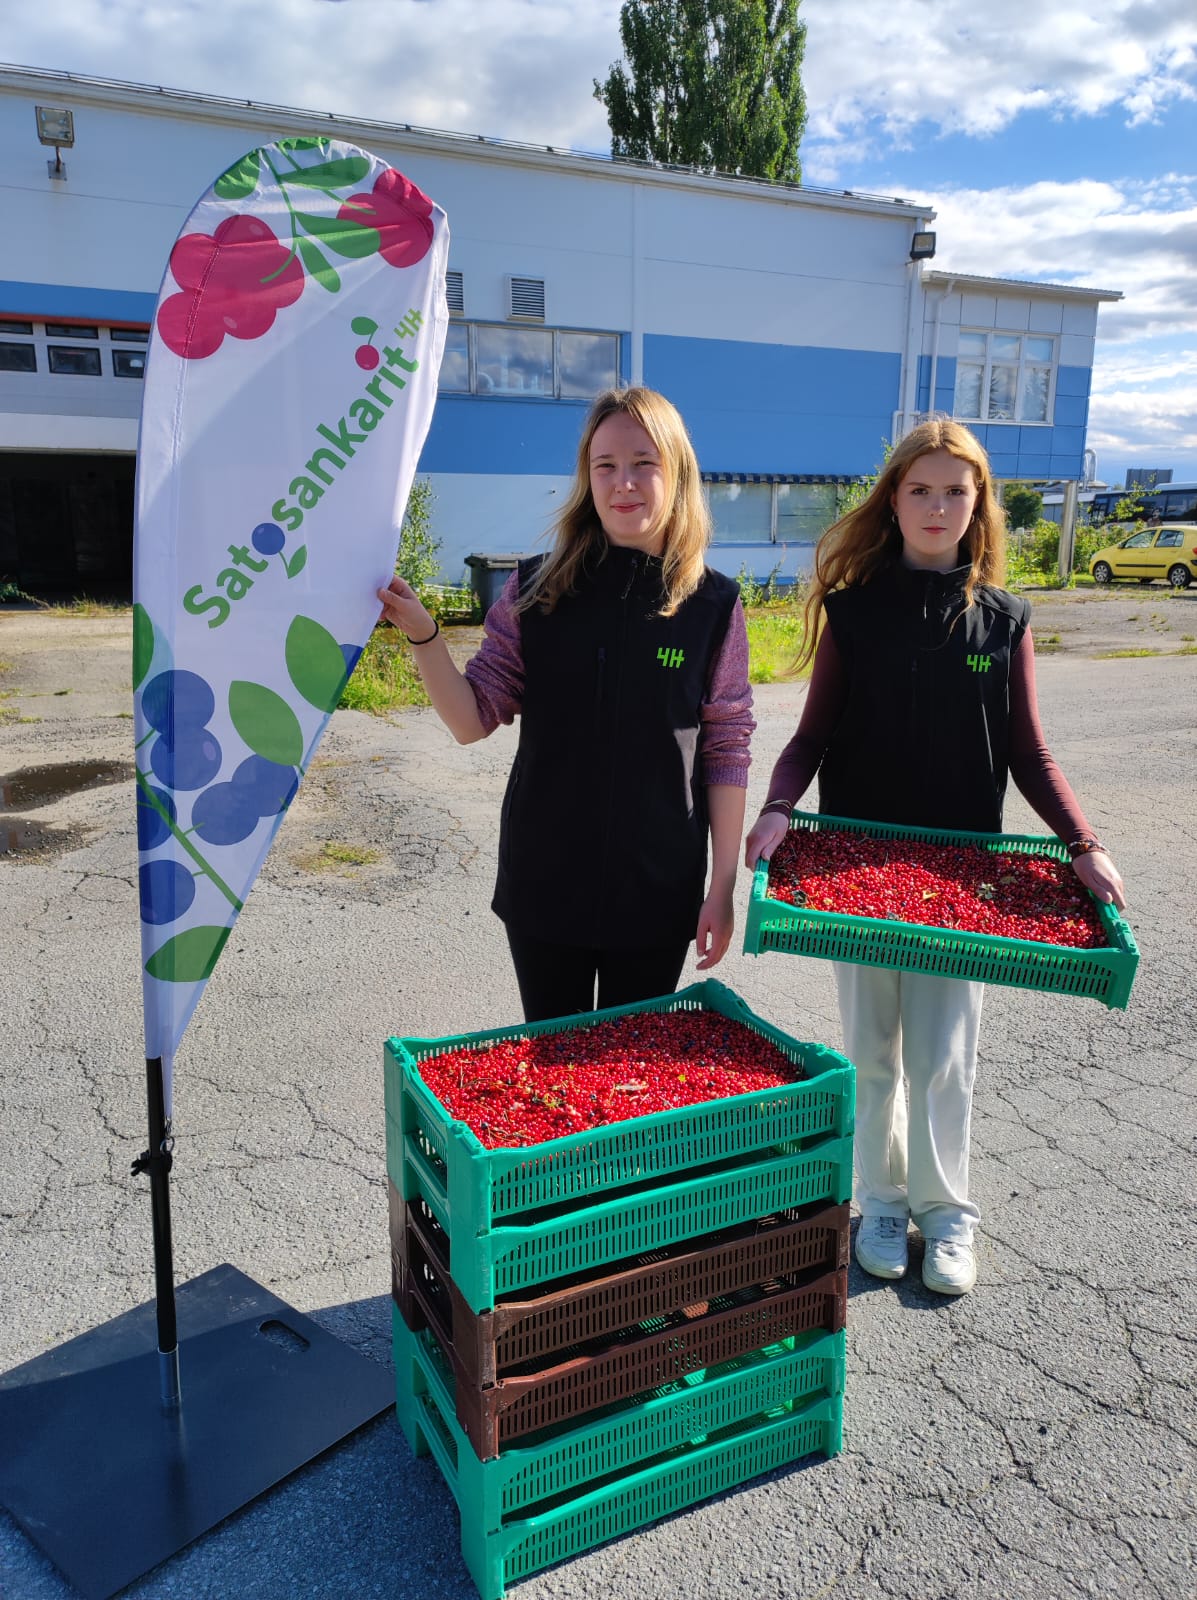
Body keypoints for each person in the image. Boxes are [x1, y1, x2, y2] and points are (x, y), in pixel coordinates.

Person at [743, 420, 1126, 1298]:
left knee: (945, 1056)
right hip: (855, 872)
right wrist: (775, 809)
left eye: (957, 491)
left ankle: (947, 1215)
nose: (937, 505)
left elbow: (1028, 753)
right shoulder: (853, 608)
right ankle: (878, 1201)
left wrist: (1083, 845)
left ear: (978, 505)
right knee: (872, 1051)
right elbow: (811, 735)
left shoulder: (1004, 618)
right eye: (920, 489)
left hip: (962, 880)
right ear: (894, 499)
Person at [378, 386, 755, 1023]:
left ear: (678, 471)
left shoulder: (713, 604)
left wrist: (722, 885)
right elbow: (472, 721)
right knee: (553, 1080)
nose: (623, 483)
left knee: (630, 1090)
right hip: (545, 885)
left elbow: (727, 747)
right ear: (586, 476)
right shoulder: (535, 588)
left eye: (644, 462)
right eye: (604, 465)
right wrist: (424, 633)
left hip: (658, 891)